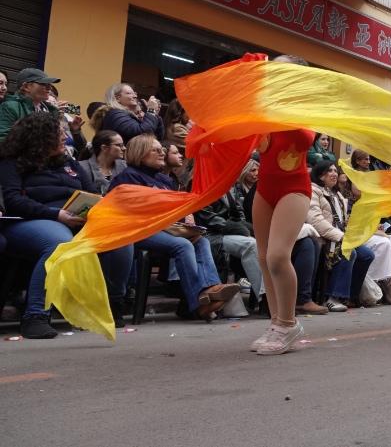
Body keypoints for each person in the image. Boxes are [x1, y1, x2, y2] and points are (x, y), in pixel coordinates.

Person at [0, 113, 133, 337]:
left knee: (119, 238)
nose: (64, 136)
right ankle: (35, 316)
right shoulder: (11, 162)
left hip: (74, 218)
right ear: (39, 137)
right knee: (59, 242)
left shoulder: (68, 163)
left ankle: (113, 305)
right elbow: (14, 201)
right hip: (30, 220)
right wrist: (56, 214)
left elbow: (89, 191)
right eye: (58, 132)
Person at [109, 134, 239, 320]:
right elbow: (127, 209)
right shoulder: (128, 177)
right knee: (183, 245)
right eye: (156, 150)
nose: (162, 153)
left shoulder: (165, 180)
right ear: (140, 153)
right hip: (139, 231)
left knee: (200, 242)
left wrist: (187, 219)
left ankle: (210, 289)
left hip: (167, 229)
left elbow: (176, 208)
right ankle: (197, 303)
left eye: (161, 150)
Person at [246, 54, 316, 354]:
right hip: (265, 189)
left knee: (277, 256)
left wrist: (275, 109)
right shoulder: (261, 106)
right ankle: (277, 323)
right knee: (263, 258)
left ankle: (288, 323)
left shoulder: (304, 108)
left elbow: (304, 138)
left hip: (294, 189)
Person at [307, 160, 374, 311]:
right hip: (323, 238)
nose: (334, 174)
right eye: (330, 171)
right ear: (320, 175)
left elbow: (343, 221)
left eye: (335, 171)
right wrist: (340, 236)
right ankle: (333, 297)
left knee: (367, 255)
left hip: (339, 236)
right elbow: (316, 220)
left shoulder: (337, 194)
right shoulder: (314, 191)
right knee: (348, 252)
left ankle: (350, 296)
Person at [0, 68, 62, 141]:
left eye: (49, 84)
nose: (49, 88)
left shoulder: (50, 110)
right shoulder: (10, 107)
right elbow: (3, 139)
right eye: (44, 84)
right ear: (26, 87)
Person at [93, 83, 163, 145]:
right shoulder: (115, 114)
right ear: (117, 98)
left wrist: (155, 114)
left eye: (134, 93)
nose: (135, 96)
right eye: (129, 93)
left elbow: (156, 138)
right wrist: (151, 111)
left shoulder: (123, 115)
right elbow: (142, 134)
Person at [79, 130, 127, 195]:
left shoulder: (124, 166)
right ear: (104, 148)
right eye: (119, 145)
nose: (124, 148)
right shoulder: (81, 167)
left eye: (123, 145)